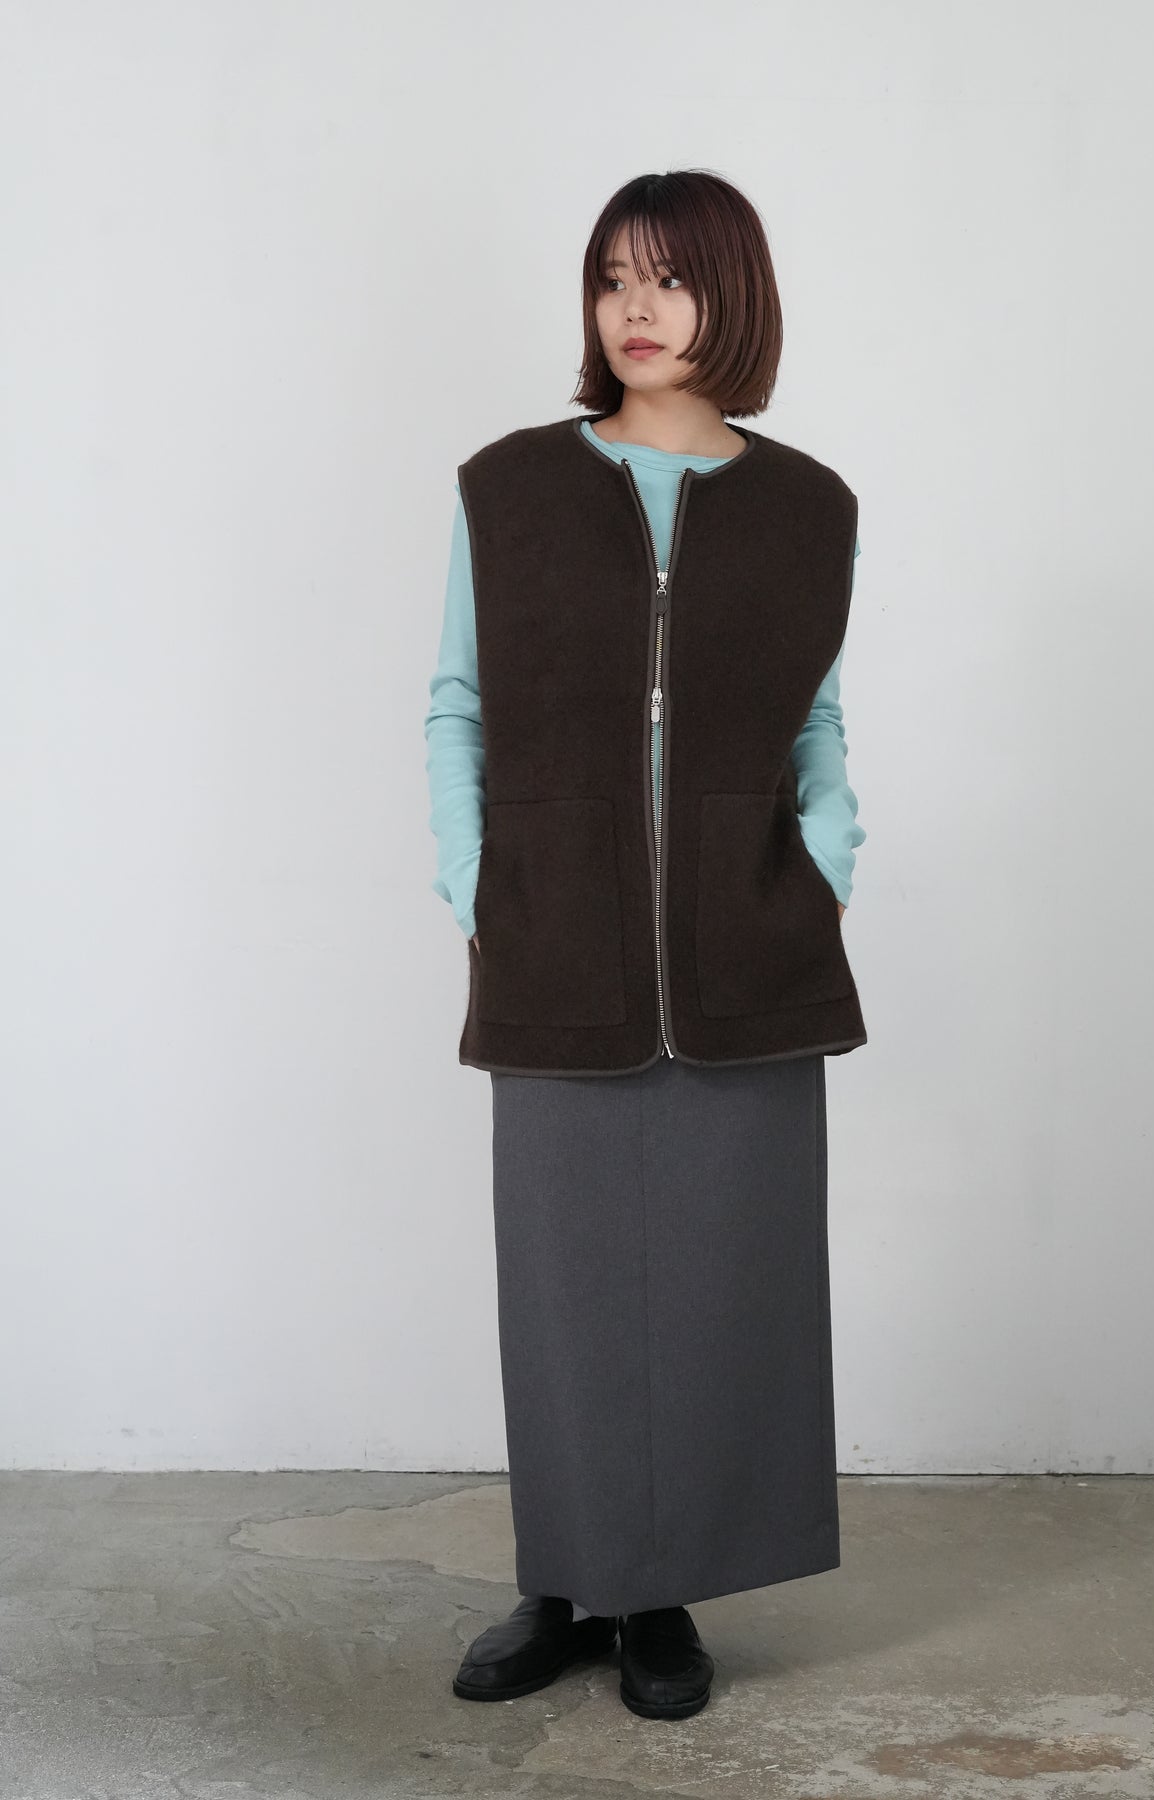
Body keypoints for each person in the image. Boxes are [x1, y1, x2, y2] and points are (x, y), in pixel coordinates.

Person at [423, 169, 867, 1721]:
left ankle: (663, 1592)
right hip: (557, 936)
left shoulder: (807, 506)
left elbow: (814, 714)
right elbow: (459, 701)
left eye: (670, 277)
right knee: (564, 1288)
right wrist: (475, 878)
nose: (636, 307)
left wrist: (827, 855)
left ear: (729, 295)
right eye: (613, 276)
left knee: (724, 1281)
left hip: (751, 939)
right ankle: (563, 1584)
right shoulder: (510, 487)